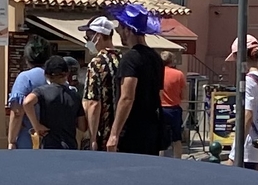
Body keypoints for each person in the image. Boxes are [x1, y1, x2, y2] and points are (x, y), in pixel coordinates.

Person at [108, 8, 167, 156]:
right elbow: (159, 93)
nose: (118, 33)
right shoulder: (156, 58)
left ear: (127, 30)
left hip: (133, 132)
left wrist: (114, 133)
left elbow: (127, 97)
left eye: (119, 29)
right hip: (152, 129)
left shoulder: (130, 58)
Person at [228, 34, 258, 170]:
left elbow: (247, 116)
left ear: (240, 56)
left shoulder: (248, 81)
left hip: (249, 147)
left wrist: (236, 149)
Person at [79, 16, 120, 149]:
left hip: (104, 132)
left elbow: (93, 103)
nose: (87, 42)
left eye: (88, 37)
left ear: (98, 36)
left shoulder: (97, 64)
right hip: (122, 132)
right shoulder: (123, 60)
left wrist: (92, 138)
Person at [29, 52, 83, 149]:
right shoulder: (75, 96)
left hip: (49, 146)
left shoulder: (42, 92)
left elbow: (27, 102)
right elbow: (82, 126)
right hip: (70, 146)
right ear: (66, 74)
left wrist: (36, 125)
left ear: (46, 75)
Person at [7, 40, 51, 151]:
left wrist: (11, 141)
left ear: (27, 58)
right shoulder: (56, 79)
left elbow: (17, 112)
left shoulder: (25, 78)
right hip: (53, 139)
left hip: (29, 139)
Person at [159, 55, 190, 156]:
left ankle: (159, 160)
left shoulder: (157, 73)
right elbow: (185, 95)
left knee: (160, 136)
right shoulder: (179, 74)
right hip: (174, 109)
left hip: (160, 108)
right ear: (171, 61)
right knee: (177, 138)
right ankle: (177, 160)